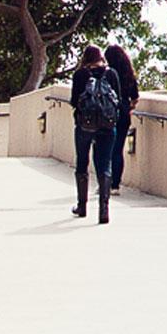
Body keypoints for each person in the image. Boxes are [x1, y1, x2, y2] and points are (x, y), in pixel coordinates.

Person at [69, 45, 122, 224]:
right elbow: (119, 101)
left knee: (82, 162)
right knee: (104, 164)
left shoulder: (80, 75)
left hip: (85, 125)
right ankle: (104, 210)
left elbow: (74, 100)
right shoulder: (112, 74)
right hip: (108, 126)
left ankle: (82, 206)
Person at [104, 45, 141, 196]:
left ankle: (105, 181)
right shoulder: (129, 75)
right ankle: (115, 185)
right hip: (124, 112)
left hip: (110, 112)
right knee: (118, 149)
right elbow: (136, 97)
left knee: (106, 149)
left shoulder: (108, 74)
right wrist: (128, 107)